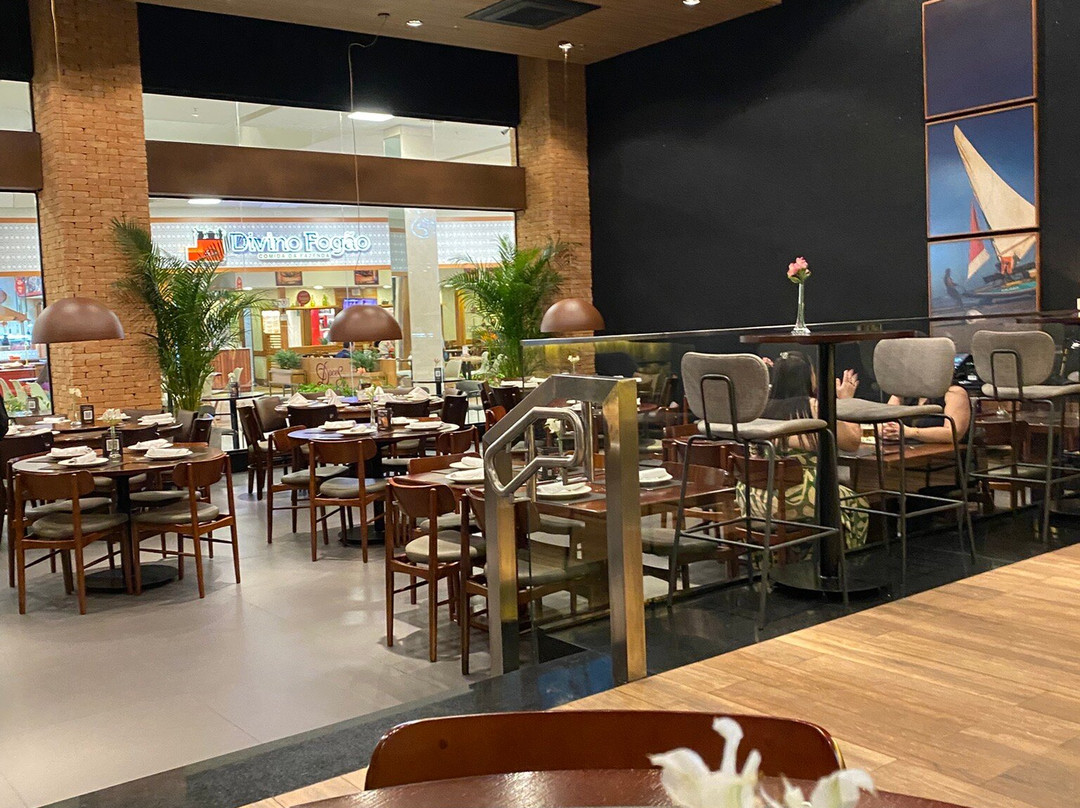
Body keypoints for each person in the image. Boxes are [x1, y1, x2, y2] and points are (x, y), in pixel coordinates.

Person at [735, 353, 868, 549]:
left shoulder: (760, 408)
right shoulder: (813, 408)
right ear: (809, 377)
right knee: (857, 504)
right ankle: (843, 559)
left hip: (752, 497)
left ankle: (796, 556)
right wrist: (845, 401)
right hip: (791, 497)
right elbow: (853, 442)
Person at [880, 370, 970, 444]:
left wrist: (910, 432)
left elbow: (953, 434)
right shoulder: (903, 392)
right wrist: (884, 430)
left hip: (941, 452)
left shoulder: (955, 392)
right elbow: (885, 422)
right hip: (907, 448)